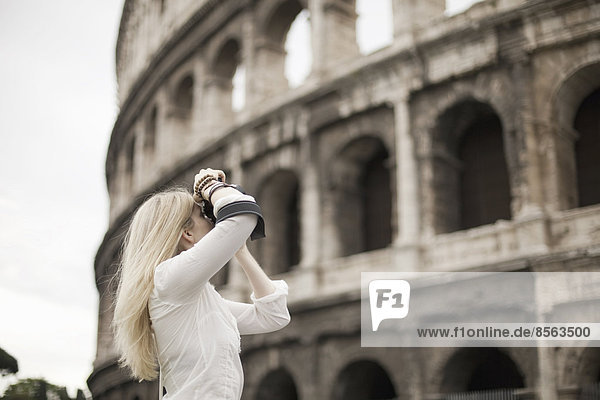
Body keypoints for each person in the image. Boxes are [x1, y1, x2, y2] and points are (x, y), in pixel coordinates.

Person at [112, 168, 291, 399]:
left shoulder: (190, 297)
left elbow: (273, 316)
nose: (213, 220)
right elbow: (243, 214)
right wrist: (209, 185)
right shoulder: (168, 281)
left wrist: (241, 252)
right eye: (204, 216)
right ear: (187, 233)